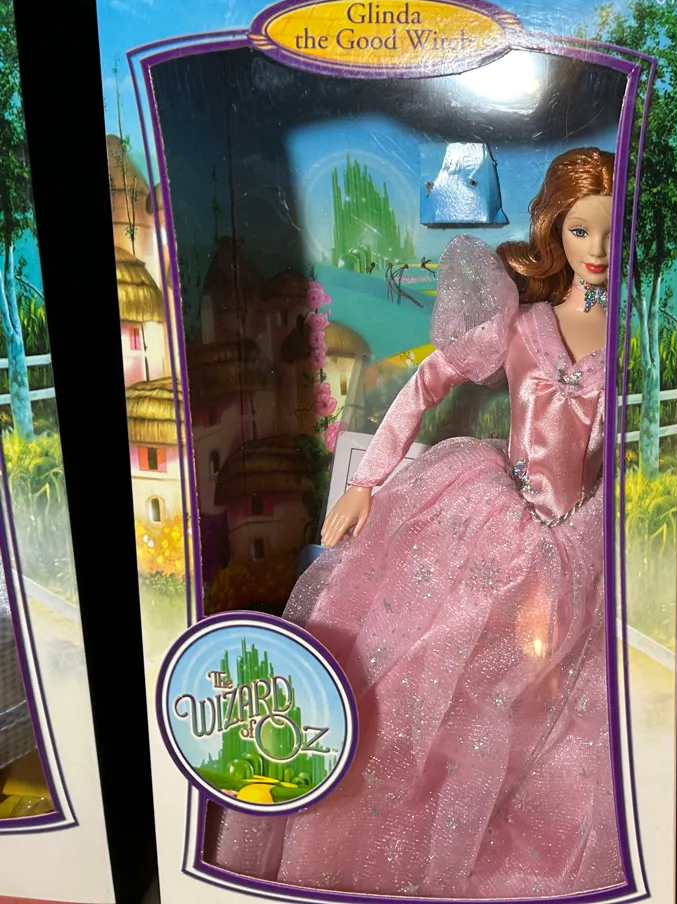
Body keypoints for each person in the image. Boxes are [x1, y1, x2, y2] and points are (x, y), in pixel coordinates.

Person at [208, 147, 624, 899]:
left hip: (583, 537)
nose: (595, 249)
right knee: (434, 676)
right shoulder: (522, 324)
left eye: (610, 229)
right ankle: (406, 830)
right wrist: (366, 481)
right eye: (579, 231)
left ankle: (498, 824)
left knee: (556, 706)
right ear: (555, 232)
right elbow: (425, 383)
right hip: (494, 524)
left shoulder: (633, 331)